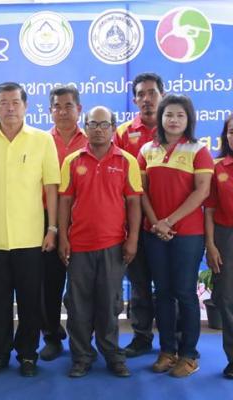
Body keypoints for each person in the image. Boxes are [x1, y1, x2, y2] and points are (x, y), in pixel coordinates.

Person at [0, 82, 60, 377]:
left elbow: (51, 188)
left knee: (30, 301)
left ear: (25, 106)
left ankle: (28, 355)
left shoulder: (42, 140)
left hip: (31, 237)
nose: (10, 108)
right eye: (3, 103)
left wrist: (53, 228)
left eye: (16, 102)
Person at [58, 106, 142, 378]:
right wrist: (63, 237)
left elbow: (134, 203)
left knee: (109, 304)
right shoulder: (72, 160)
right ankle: (81, 357)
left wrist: (133, 239)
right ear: (85, 127)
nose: (98, 129)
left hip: (113, 245)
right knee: (78, 306)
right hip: (79, 246)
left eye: (104, 124)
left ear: (113, 128)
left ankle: (113, 356)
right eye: (93, 124)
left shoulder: (127, 161)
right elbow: (65, 202)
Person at [138, 94, 213, 378]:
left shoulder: (198, 150)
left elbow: (202, 191)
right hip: (154, 232)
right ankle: (167, 351)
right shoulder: (147, 150)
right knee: (163, 293)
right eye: (169, 114)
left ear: (188, 119)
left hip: (188, 234)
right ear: (160, 118)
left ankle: (189, 355)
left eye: (180, 115)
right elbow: (141, 191)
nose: (174, 120)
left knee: (184, 292)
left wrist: (169, 221)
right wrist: (156, 223)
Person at [114, 72, 165, 357]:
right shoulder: (123, 133)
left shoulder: (174, 129)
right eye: (141, 94)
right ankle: (141, 337)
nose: (147, 99)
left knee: (169, 285)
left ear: (162, 95)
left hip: (167, 224)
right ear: (134, 100)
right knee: (139, 284)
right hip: (134, 223)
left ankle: (174, 340)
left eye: (152, 93)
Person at [40, 85, 87, 361]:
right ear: (50, 111)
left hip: (83, 220)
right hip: (47, 219)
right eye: (57, 106)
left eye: (69, 106)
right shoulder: (40, 141)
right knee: (50, 282)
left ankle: (84, 338)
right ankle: (52, 336)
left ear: (79, 109)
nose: (63, 111)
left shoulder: (92, 139)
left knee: (83, 283)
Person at [204, 113, 233, 378]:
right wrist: (211, 245)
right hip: (225, 237)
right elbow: (210, 209)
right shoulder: (218, 168)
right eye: (232, 131)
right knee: (226, 299)